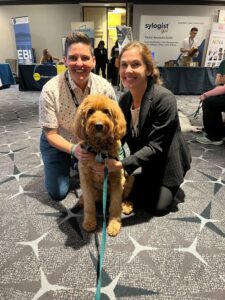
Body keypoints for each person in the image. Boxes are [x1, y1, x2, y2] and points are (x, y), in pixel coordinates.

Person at [89, 41, 192, 215]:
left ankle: (167, 185)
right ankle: (143, 179)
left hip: (166, 161)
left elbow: (156, 147)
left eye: (135, 64)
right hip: (145, 161)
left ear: (149, 69)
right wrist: (98, 149)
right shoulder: (124, 100)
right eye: (124, 65)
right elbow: (120, 135)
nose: (128, 70)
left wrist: (119, 165)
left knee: (156, 207)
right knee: (125, 191)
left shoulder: (165, 99)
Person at [39, 32, 116, 201]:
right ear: (65, 60)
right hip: (58, 140)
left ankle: (77, 161)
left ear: (93, 61)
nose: (79, 64)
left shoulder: (105, 87)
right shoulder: (49, 90)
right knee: (58, 193)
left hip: (92, 143)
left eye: (85, 58)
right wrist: (73, 149)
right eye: (73, 58)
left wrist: (119, 159)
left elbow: (115, 124)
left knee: (104, 174)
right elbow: (51, 134)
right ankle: (70, 161)